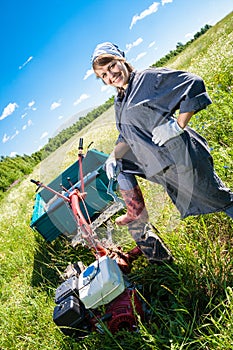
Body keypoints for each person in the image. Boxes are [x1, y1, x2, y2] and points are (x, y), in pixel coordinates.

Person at [91, 42, 233, 261]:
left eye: (111, 66)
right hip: (160, 162)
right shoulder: (120, 98)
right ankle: (136, 216)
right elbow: (127, 135)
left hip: (181, 156)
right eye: (103, 75)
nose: (111, 75)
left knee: (217, 197)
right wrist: (113, 156)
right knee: (122, 167)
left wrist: (177, 125)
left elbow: (193, 83)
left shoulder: (148, 80)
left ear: (121, 60)